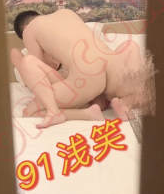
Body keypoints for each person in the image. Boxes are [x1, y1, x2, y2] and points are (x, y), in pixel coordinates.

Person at [10, 9, 142, 128]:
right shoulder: (67, 13)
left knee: (29, 112)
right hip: (113, 66)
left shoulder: (29, 30)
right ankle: (126, 101)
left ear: (25, 28)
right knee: (131, 45)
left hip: (87, 78)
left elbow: (36, 67)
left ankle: (72, 113)